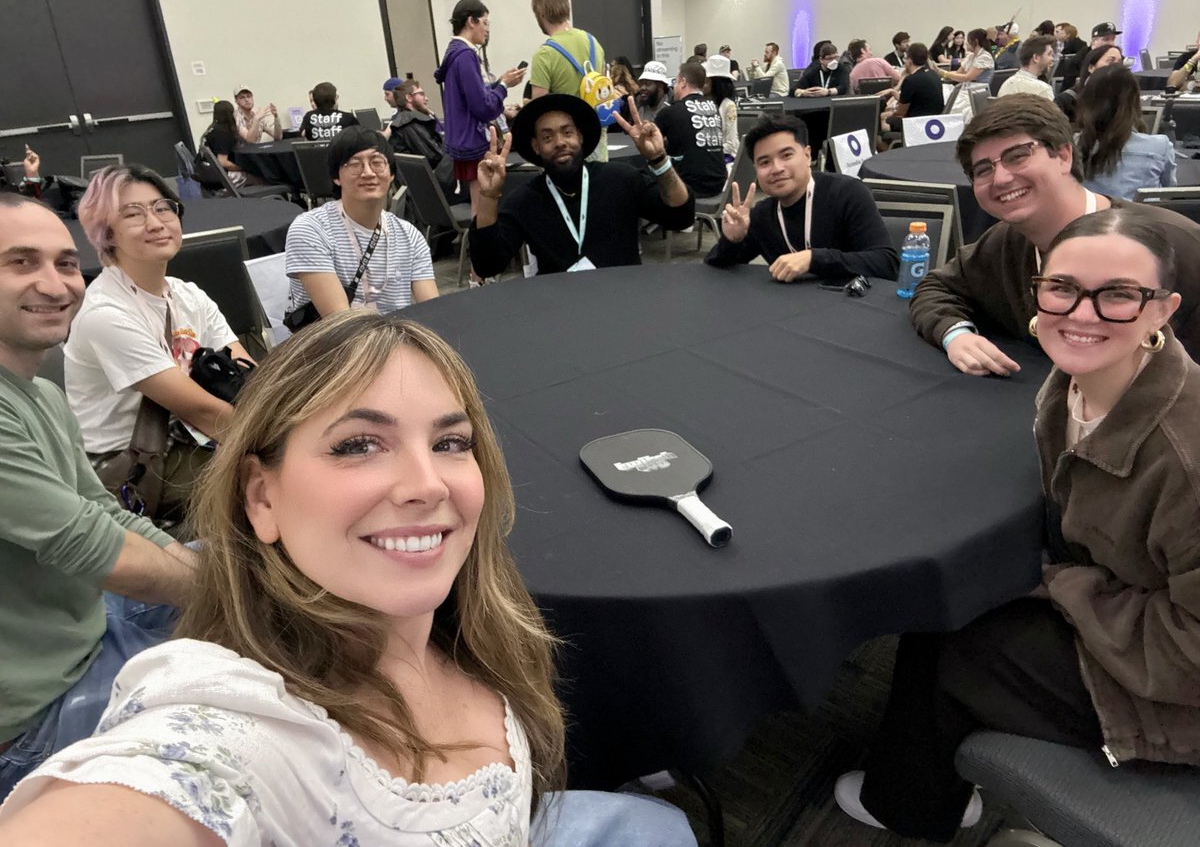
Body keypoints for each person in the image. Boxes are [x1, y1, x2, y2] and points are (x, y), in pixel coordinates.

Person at [0, 311, 699, 846]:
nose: (427, 484)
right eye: (359, 445)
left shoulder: (477, 631)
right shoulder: (244, 730)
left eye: (450, 442)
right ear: (261, 497)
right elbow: (161, 786)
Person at [837, 209, 1200, 842]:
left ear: (1162, 311)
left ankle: (911, 805)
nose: (1082, 314)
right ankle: (928, 775)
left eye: (1117, 294)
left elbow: (1191, 653)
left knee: (952, 645)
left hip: (1175, 687)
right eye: (1062, 288)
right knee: (953, 597)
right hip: (1124, 603)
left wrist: (1059, 588)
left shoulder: (1186, 462)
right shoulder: (1076, 380)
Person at [0, 193, 194, 803]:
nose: (55, 284)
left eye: (64, 263)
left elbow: (101, 512)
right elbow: (88, 545)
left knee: (244, 566)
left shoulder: (41, 392)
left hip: (81, 624)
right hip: (35, 713)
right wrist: (225, 595)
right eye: (21, 262)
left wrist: (212, 578)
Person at [909, 95, 1200, 374]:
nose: (1001, 178)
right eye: (982, 170)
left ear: (1063, 155)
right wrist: (956, 334)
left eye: (1017, 156)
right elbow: (937, 287)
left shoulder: (1179, 246)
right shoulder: (1007, 241)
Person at [66, 166, 250, 522]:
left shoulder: (188, 295)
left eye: (163, 207)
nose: (155, 223)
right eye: (133, 214)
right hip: (131, 462)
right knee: (271, 478)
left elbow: (247, 375)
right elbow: (202, 411)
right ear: (107, 234)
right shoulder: (106, 314)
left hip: (187, 436)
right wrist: (280, 438)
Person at [469, 94, 694, 277]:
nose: (560, 142)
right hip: (557, 307)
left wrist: (659, 160)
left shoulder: (621, 179)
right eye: (547, 138)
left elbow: (681, 216)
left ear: (580, 136)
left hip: (623, 299)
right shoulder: (526, 201)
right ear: (536, 147)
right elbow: (487, 265)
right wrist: (488, 195)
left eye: (567, 133)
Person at [706, 114, 898, 281]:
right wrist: (731, 241)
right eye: (764, 162)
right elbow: (714, 269)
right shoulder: (762, 216)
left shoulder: (847, 193)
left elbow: (887, 264)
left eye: (786, 155)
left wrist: (814, 259)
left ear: (807, 155)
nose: (777, 168)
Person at [286, 127, 437, 320]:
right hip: (334, 337)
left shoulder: (410, 236)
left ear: (391, 174)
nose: (368, 173)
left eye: (377, 163)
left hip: (395, 334)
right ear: (336, 177)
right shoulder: (310, 230)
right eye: (354, 165)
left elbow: (433, 311)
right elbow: (340, 322)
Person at [435, 0, 525, 214]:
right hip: (473, 140)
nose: (487, 30)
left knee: (479, 204)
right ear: (471, 21)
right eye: (485, 23)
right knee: (483, 207)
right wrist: (504, 86)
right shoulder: (466, 55)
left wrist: (499, 82)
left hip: (462, 138)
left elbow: (472, 95)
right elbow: (483, 107)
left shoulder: (454, 52)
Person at [528, 0, 608, 161]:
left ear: (540, 13)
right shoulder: (593, 42)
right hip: (597, 141)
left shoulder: (545, 54)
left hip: (565, 150)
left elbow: (539, 111)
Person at [1077, 65, 1177, 200]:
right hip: (1143, 213)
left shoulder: (1072, 147)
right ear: (1135, 100)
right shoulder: (1160, 147)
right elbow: (1169, 194)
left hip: (1091, 213)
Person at [655, 62, 727, 198]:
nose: (674, 87)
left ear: (683, 82)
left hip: (689, 187)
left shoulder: (671, 112)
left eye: (675, 82)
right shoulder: (714, 108)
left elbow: (650, 142)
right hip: (718, 184)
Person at [881, 42, 943, 133]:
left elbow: (900, 113)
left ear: (910, 60)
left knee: (882, 117)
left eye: (905, 58)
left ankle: (886, 140)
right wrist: (893, 92)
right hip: (933, 121)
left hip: (915, 123)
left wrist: (891, 112)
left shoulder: (911, 80)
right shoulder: (933, 74)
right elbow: (916, 99)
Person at [1054, 44, 1123, 123]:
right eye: (1111, 61)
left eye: (1120, 62)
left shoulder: (1123, 97)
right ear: (1091, 67)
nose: (1117, 67)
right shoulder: (1067, 100)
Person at [388, 80, 445, 167]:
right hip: (430, 172)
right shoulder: (410, 123)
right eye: (421, 94)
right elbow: (434, 156)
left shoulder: (406, 119)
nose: (426, 98)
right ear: (409, 98)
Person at [201, 101, 254, 187]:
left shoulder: (212, 128)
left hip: (204, 170)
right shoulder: (223, 133)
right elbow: (223, 162)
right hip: (218, 176)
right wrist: (245, 168)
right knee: (260, 178)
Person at [1060, 22, 1120, 91]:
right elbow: (1069, 87)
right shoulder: (1079, 59)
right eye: (1106, 39)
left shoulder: (1117, 56)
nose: (1111, 43)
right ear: (1094, 41)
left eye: (1113, 39)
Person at [997, 35, 1056, 100]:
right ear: (1036, 58)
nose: (1052, 59)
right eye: (1049, 54)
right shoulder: (1043, 90)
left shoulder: (1006, 85)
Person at [704, 54, 739, 164]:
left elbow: (731, 145)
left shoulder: (728, 106)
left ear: (716, 84)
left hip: (724, 158)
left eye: (706, 81)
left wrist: (706, 150)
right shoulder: (701, 103)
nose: (701, 85)